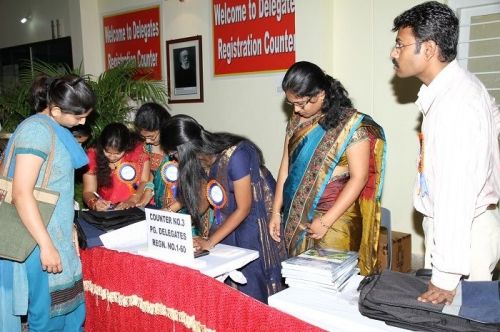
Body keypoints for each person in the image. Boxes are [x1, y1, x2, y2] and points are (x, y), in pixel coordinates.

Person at [391, 1, 500, 305]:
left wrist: (446, 276)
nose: (394, 52)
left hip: (463, 237)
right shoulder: (454, 91)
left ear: (427, 49)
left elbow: (457, 192)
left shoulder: (457, 104)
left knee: (461, 319)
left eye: (401, 44)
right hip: (454, 232)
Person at [268, 61, 386, 276]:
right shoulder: (296, 122)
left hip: (336, 218)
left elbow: (358, 178)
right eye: (291, 103)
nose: (296, 109)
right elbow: (285, 168)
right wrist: (276, 211)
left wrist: (325, 221)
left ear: (320, 95)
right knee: (299, 281)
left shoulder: (351, 125)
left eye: (301, 103)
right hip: (297, 216)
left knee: (330, 283)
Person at [0, 75, 96, 331]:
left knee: (72, 314)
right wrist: (46, 245)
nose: (83, 122)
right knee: (49, 319)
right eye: (78, 116)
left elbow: (56, 186)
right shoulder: (36, 131)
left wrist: (70, 229)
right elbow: (21, 192)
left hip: (57, 236)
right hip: (38, 240)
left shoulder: (55, 130)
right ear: (54, 110)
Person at [160, 114, 285, 303]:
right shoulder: (200, 157)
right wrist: (172, 210)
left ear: (183, 149)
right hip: (229, 212)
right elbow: (204, 199)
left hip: (254, 213)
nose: (173, 158)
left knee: (250, 271)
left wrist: (210, 241)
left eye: (174, 154)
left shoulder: (236, 155)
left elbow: (244, 208)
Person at [82, 122, 151, 211]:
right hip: (108, 209)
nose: (112, 157)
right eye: (107, 152)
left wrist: (133, 200)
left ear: (126, 147)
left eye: (118, 153)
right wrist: (94, 203)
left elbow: (144, 181)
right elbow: (88, 191)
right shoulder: (93, 155)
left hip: (136, 206)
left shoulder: (138, 151)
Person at [133, 102, 179, 210]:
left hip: (181, 204)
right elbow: (151, 173)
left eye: (151, 137)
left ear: (162, 128)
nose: (147, 141)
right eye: (144, 137)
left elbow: (191, 184)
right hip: (159, 204)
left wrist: (171, 209)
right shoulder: (147, 147)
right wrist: (148, 191)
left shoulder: (177, 148)